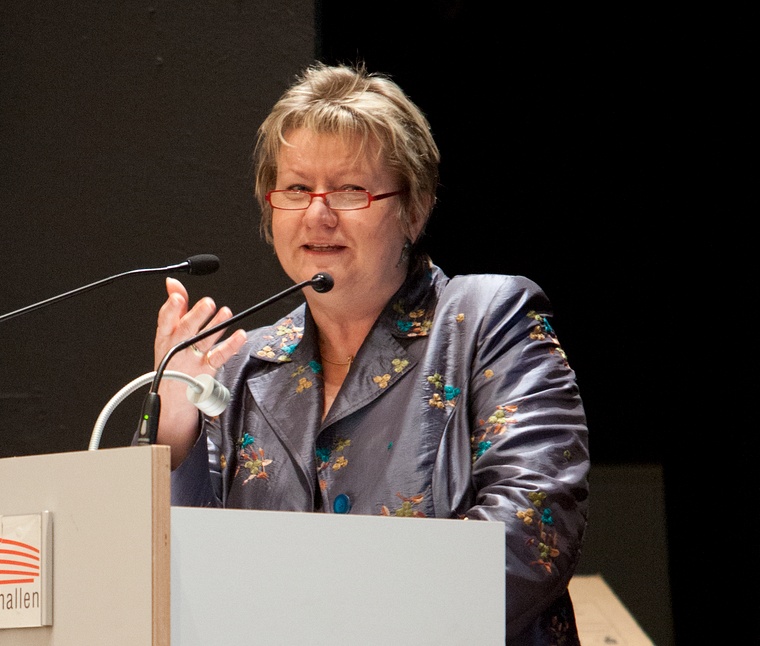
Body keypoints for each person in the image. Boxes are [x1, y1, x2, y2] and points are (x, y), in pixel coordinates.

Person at [148, 62, 589, 645]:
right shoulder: (239, 363)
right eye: (297, 189)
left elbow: (533, 531)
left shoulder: (486, 319)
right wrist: (172, 439)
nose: (318, 213)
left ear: (415, 208)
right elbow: (176, 581)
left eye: (351, 190)